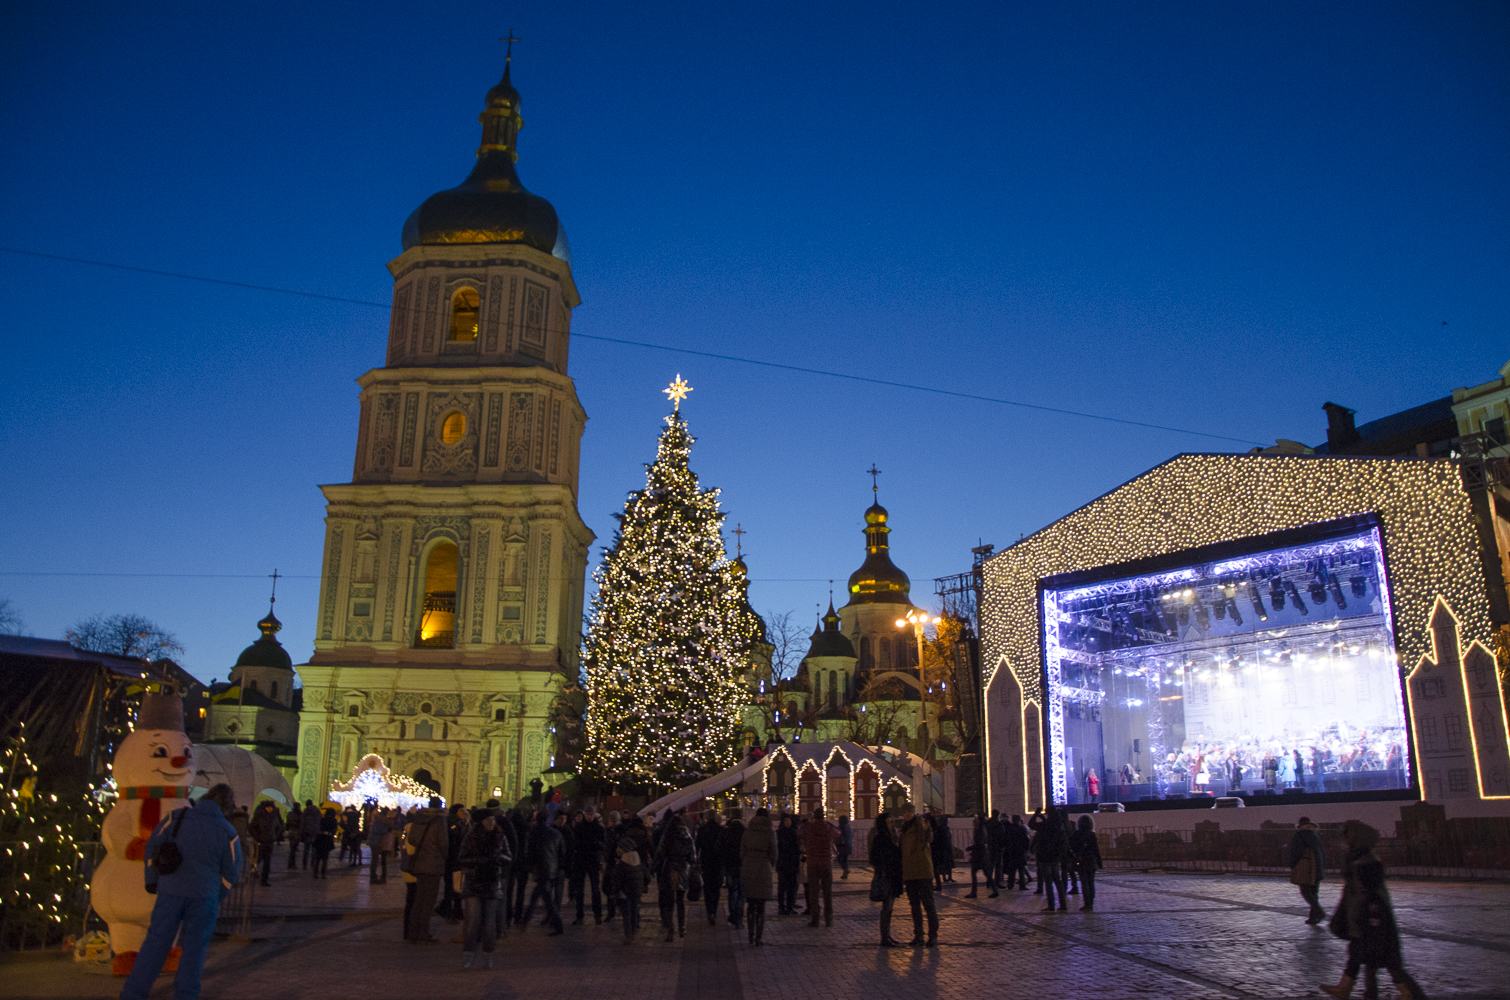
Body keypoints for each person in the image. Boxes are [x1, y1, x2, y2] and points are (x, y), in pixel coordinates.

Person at [119, 783, 241, 1000]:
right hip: (205, 898)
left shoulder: (176, 818)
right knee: (194, 951)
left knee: (155, 944)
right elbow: (230, 871)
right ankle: (186, 995)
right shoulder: (228, 831)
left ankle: (133, 993)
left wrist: (152, 880)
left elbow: (152, 846)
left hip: (171, 892)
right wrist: (216, 895)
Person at [1321, 820, 1423, 1000]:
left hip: (1369, 914)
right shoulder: (1359, 857)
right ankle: (1358, 990)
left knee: (1375, 955)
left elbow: (1369, 892)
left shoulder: (1365, 861)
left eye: (1347, 836)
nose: (1345, 840)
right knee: (1365, 954)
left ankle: (1408, 992)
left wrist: (1367, 915)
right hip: (1361, 912)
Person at [458, 807, 511, 969]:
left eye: (493, 820)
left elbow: (508, 857)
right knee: (473, 921)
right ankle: (468, 955)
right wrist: (479, 861)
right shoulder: (471, 837)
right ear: (481, 823)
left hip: (492, 882)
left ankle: (488, 955)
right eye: (488, 820)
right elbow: (461, 858)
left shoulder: (500, 837)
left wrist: (497, 858)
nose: (491, 823)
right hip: (474, 882)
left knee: (489, 922)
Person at [402, 796, 448, 942]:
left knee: (418, 900)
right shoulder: (440, 820)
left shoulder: (418, 818)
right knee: (428, 901)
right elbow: (444, 843)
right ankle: (422, 933)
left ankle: (412, 933)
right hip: (433, 865)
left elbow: (412, 840)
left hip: (419, 863)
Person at [899, 803, 938, 946]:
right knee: (914, 905)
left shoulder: (920, 824)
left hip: (922, 870)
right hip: (910, 872)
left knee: (928, 904)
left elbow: (927, 838)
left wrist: (927, 829)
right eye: (905, 812)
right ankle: (919, 935)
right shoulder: (904, 828)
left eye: (909, 811)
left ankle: (932, 935)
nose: (907, 813)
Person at [653, 811, 695, 941]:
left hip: (670, 869)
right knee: (680, 900)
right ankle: (682, 928)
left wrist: (653, 869)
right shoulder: (687, 834)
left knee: (669, 901)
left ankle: (671, 930)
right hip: (683, 869)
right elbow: (693, 855)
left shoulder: (668, 834)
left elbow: (660, 853)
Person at [522, 810, 565, 935]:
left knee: (542, 898)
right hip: (551, 868)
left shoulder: (533, 833)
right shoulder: (555, 833)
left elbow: (529, 853)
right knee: (542, 897)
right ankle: (527, 920)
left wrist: (530, 866)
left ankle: (557, 925)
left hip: (540, 869)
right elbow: (561, 852)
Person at [739, 808, 776, 946]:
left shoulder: (748, 831)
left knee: (750, 904)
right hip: (763, 869)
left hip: (749, 867)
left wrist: (748, 861)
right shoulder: (769, 833)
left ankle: (750, 934)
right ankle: (758, 937)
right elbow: (774, 853)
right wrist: (768, 863)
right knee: (761, 906)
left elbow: (742, 851)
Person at [868, 809, 904, 947]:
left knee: (889, 907)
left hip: (892, 874)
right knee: (887, 907)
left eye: (891, 822)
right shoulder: (881, 838)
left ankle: (887, 935)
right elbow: (877, 857)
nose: (890, 824)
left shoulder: (890, 836)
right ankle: (885, 937)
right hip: (886, 875)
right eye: (887, 822)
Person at [801, 806, 837, 927]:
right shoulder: (828, 827)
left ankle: (815, 918)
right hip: (826, 862)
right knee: (827, 892)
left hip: (812, 863)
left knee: (813, 893)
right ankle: (828, 918)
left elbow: (800, 832)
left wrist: (808, 822)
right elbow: (838, 832)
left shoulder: (809, 828)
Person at [612, 824, 647, 944]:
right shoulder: (638, 861)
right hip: (636, 891)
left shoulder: (621, 864)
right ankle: (634, 929)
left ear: (624, 849)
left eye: (619, 847)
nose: (617, 849)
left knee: (626, 914)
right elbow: (646, 875)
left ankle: (628, 935)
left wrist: (615, 893)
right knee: (634, 911)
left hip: (625, 893)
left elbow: (617, 880)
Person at [1290, 816, 1327, 925]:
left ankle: (1319, 911)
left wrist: (1293, 866)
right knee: (1314, 892)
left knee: (1305, 891)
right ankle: (1313, 917)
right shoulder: (1316, 835)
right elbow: (1323, 853)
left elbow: (1296, 852)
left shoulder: (1300, 835)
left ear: (1300, 824)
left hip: (1305, 867)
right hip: (1318, 867)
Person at [571, 808, 606, 925]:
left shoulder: (598, 828)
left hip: (592, 861)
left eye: (591, 814)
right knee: (580, 890)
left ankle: (597, 914)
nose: (589, 816)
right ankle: (580, 915)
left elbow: (603, 845)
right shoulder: (580, 827)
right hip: (582, 860)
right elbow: (574, 843)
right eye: (587, 814)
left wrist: (593, 844)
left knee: (595, 890)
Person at [1032, 807, 1067, 912]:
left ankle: (1051, 906)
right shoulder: (1058, 827)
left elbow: (1032, 824)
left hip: (1044, 856)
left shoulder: (1044, 826)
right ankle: (1063, 905)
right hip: (1055, 857)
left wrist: (1036, 814)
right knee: (1057, 880)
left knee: (1048, 882)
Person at [695, 811, 725, 925]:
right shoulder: (721, 830)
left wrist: (697, 861)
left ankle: (709, 911)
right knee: (716, 888)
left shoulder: (702, 830)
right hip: (718, 862)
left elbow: (697, 847)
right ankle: (714, 911)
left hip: (706, 862)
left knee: (707, 888)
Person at [1068, 815, 1103, 911]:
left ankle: (1086, 903)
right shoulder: (1092, 834)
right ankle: (1091, 903)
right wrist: (1100, 862)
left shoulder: (1076, 834)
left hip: (1081, 860)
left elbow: (1070, 845)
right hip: (1091, 860)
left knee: (1084, 883)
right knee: (1091, 882)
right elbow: (1096, 849)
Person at [719, 811, 746, 927]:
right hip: (742, 866)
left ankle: (732, 914)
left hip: (729, 866)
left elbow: (718, 848)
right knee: (741, 892)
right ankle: (738, 917)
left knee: (732, 891)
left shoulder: (726, 832)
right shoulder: (744, 832)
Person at [247, 801, 283, 887]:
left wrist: (275, 836)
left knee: (267, 863)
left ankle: (264, 880)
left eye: (271, 807)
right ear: (265, 807)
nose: (270, 809)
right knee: (257, 860)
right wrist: (258, 838)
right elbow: (251, 828)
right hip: (261, 842)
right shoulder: (259, 816)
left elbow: (278, 827)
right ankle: (249, 876)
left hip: (270, 842)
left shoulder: (274, 816)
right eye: (268, 807)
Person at [775, 813, 801, 916]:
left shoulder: (793, 833)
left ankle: (789, 906)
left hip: (791, 863)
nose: (787, 822)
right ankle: (782, 907)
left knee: (791, 886)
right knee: (782, 887)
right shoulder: (780, 833)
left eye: (789, 821)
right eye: (786, 821)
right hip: (783, 863)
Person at [966, 813, 995, 898]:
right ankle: (994, 890)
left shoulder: (979, 830)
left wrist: (971, 848)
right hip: (981, 854)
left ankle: (974, 892)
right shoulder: (982, 829)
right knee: (986, 873)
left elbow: (979, 843)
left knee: (975, 873)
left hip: (979, 855)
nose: (972, 821)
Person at [1006, 814, 1032, 890]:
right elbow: (1026, 841)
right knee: (1021, 869)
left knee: (1012, 870)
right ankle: (1022, 885)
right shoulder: (1022, 829)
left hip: (1011, 851)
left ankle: (1010, 884)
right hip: (1020, 852)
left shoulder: (1009, 829)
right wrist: (1026, 850)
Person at [929, 810, 954, 888]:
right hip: (943, 849)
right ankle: (944, 879)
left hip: (942, 849)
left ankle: (942, 880)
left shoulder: (940, 829)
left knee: (939, 866)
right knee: (941, 865)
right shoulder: (943, 829)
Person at [312, 807, 337, 878]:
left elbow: (318, 827)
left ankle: (315, 873)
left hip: (320, 838)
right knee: (325, 858)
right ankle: (323, 874)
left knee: (318, 857)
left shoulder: (322, 819)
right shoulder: (333, 820)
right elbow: (334, 831)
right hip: (328, 839)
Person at [367, 809, 389, 884]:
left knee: (375, 860)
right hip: (375, 842)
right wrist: (386, 830)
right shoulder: (378, 822)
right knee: (375, 860)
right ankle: (373, 877)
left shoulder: (376, 821)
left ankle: (373, 876)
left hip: (373, 841)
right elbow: (378, 831)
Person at [298, 800, 321, 870]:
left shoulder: (305, 812)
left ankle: (304, 864)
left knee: (306, 850)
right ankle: (312, 863)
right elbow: (320, 822)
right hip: (315, 833)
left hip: (307, 833)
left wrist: (301, 834)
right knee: (314, 850)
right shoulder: (317, 812)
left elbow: (302, 824)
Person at [285, 802, 303, 870]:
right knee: (294, 849)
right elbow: (301, 824)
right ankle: (292, 863)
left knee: (292, 849)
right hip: (297, 832)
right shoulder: (300, 814)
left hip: (291, 832)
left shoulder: (290, 814)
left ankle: (290, 863)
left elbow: (287, 824)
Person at [836, 815, 853, 881]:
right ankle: (845, 872)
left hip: (843, 845)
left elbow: (839, 834)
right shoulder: (848, 826)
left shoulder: (842, 827)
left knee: (840, 858)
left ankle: (845, 870)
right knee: (844, 859)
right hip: (847, 845)